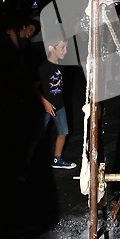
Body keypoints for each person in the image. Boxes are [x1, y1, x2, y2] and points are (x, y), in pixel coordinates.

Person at [30, 35, 77, 169]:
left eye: (66, 48)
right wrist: (45, 102)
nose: (65, 51)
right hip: (45, 108)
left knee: (63, 132)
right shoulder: (44, 67)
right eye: (62, 48)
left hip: (59, 105)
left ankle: (57, 159)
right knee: (37, 136)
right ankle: (26, 164)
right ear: (51, 48)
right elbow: (33, 87)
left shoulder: (62, 65)